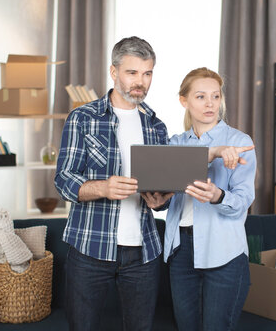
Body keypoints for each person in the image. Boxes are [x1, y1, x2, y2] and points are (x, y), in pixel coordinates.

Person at [54, 36, 172, 331]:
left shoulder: (157, 126)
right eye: (132, 73)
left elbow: (163, 190)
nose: (140, 82)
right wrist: (103, 188)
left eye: (147, 74)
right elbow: (64, 179)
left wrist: (162, 202)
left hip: (143, 252)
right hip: (90, 248)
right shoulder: (83, 118)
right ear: (114, 72)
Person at [162, 67, 256, 331]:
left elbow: (243, 200)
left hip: (224, 251)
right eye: (201, 97)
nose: (210, 104)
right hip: (181, 252)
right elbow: (165, 190)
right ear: (184, 101)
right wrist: (157, 197)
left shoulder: (239, 141)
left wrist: (218, 196)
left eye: (215, 96)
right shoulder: (175, 144)